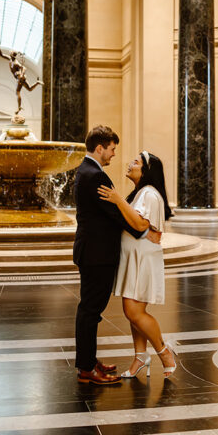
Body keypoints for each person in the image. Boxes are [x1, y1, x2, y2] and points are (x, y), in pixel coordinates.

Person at [73, 125, 161, 385]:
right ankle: (87, 369)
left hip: (91, 251)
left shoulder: (86, 170)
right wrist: (143, 232)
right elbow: (115, 215)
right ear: (99, 148)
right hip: (97, 254)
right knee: (90, 311)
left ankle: (88, 360)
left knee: (89, 310)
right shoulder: (95, 176)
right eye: (111, 149)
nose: (114, 154)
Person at [97, 151, 178, 379]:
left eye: (136, 162)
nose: (130, 163)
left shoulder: (150, 194)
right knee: (134, 312)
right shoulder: (141, 193)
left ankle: (164, 352)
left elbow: (141, 225)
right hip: (135, 257)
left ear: (146, 171)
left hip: (142, 258)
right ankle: (140, 357)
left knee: (133, 311)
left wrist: (118, 200)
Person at [0, 42, 43, 115]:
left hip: (20, 77)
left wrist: (21, 74)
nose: (9, 55)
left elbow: (24, 68)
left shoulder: (16, 63)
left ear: (12, 56)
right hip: (20, 78)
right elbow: (1, 55)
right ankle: (37, 83)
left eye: (10, 54)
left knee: (17, 92)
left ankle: (19, 107)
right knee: (30, 89)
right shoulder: (10, 59)